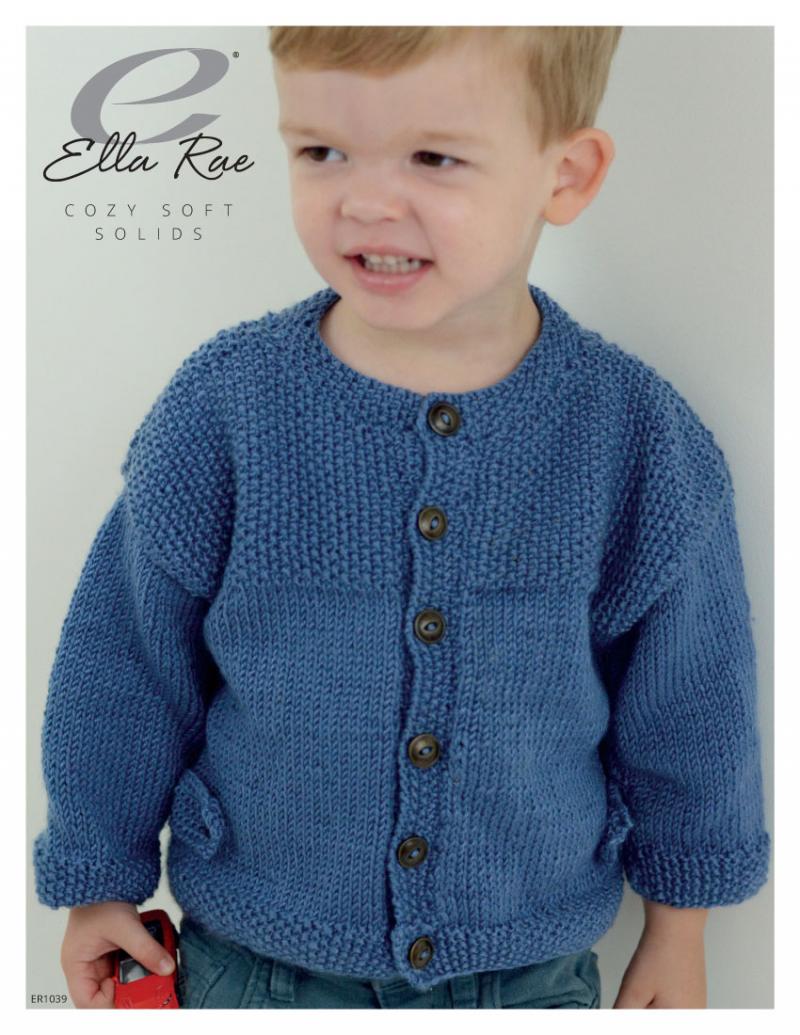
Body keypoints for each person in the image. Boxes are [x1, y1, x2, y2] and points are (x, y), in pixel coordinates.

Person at [33, 26, 771, 1009]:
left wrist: (679, 929)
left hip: (526, 974)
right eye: (321, 150)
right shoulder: (228, 409)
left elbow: (690, 707)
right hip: (253, 967)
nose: (366, 200)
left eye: (433, 157)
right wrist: (98, 877)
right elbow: (124, 663)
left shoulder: (631, 436)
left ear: (565, 174)